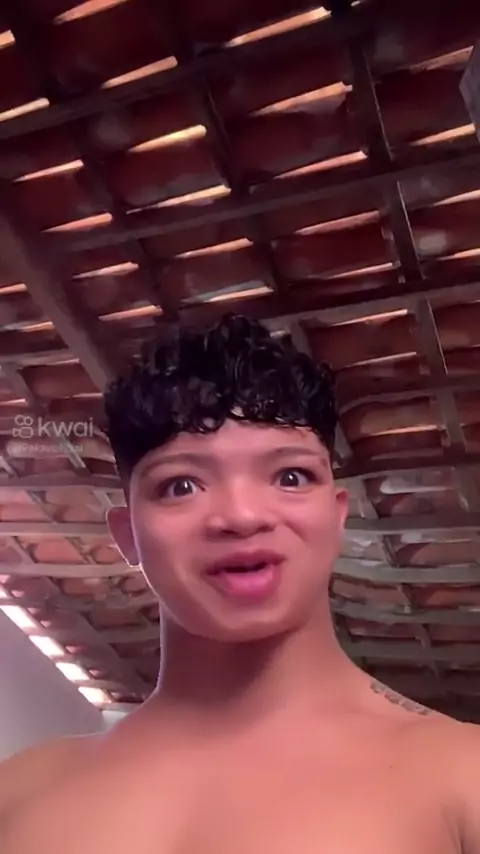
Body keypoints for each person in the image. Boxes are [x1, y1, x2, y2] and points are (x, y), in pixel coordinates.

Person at [0, 313, 479, 853]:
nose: (242, 515)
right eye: (181, 485)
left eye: (291, 477)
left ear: (337, 515)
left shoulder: (462, 776)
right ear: (127, 534)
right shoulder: (19, 791)